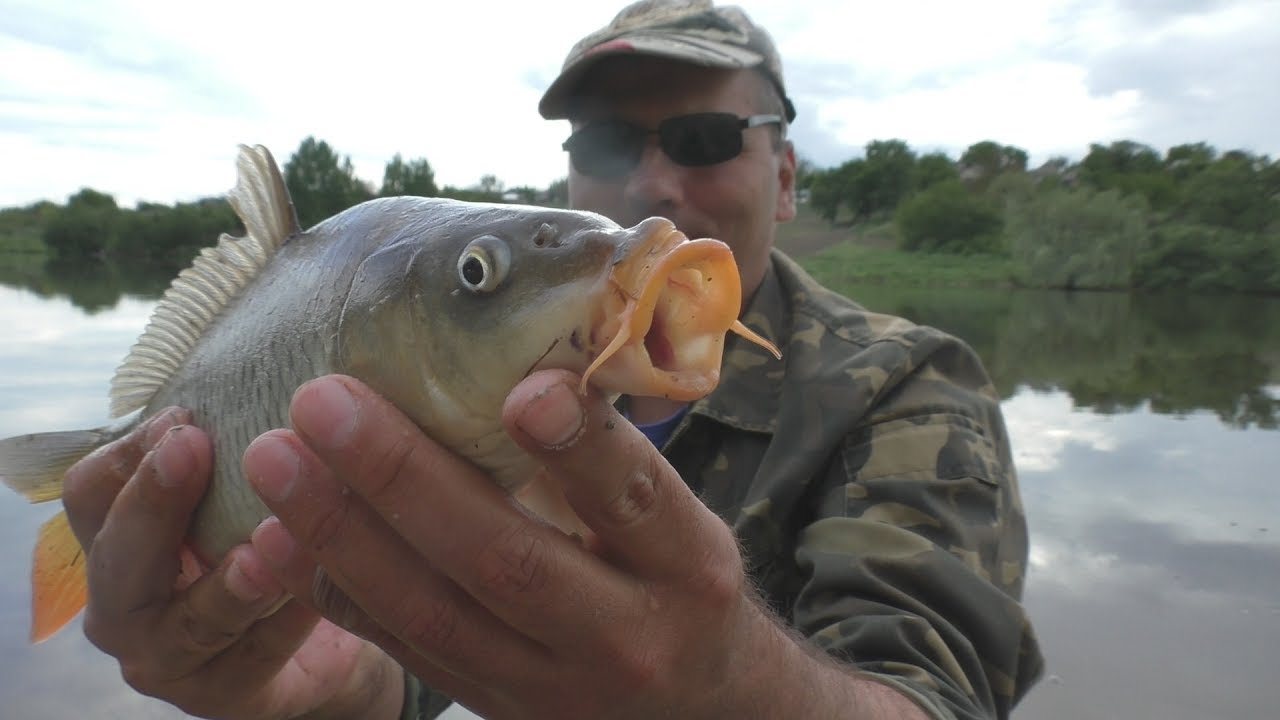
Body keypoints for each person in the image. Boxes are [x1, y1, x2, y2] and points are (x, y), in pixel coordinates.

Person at [61, 1, 1043, 718]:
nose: (655, 184)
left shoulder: (908, 388)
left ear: (783, 176)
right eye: (612, 142)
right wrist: (311, 691)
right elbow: (418, 675)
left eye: (704, 138)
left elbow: (940, 698)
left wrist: (728, 686)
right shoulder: (459, 386)